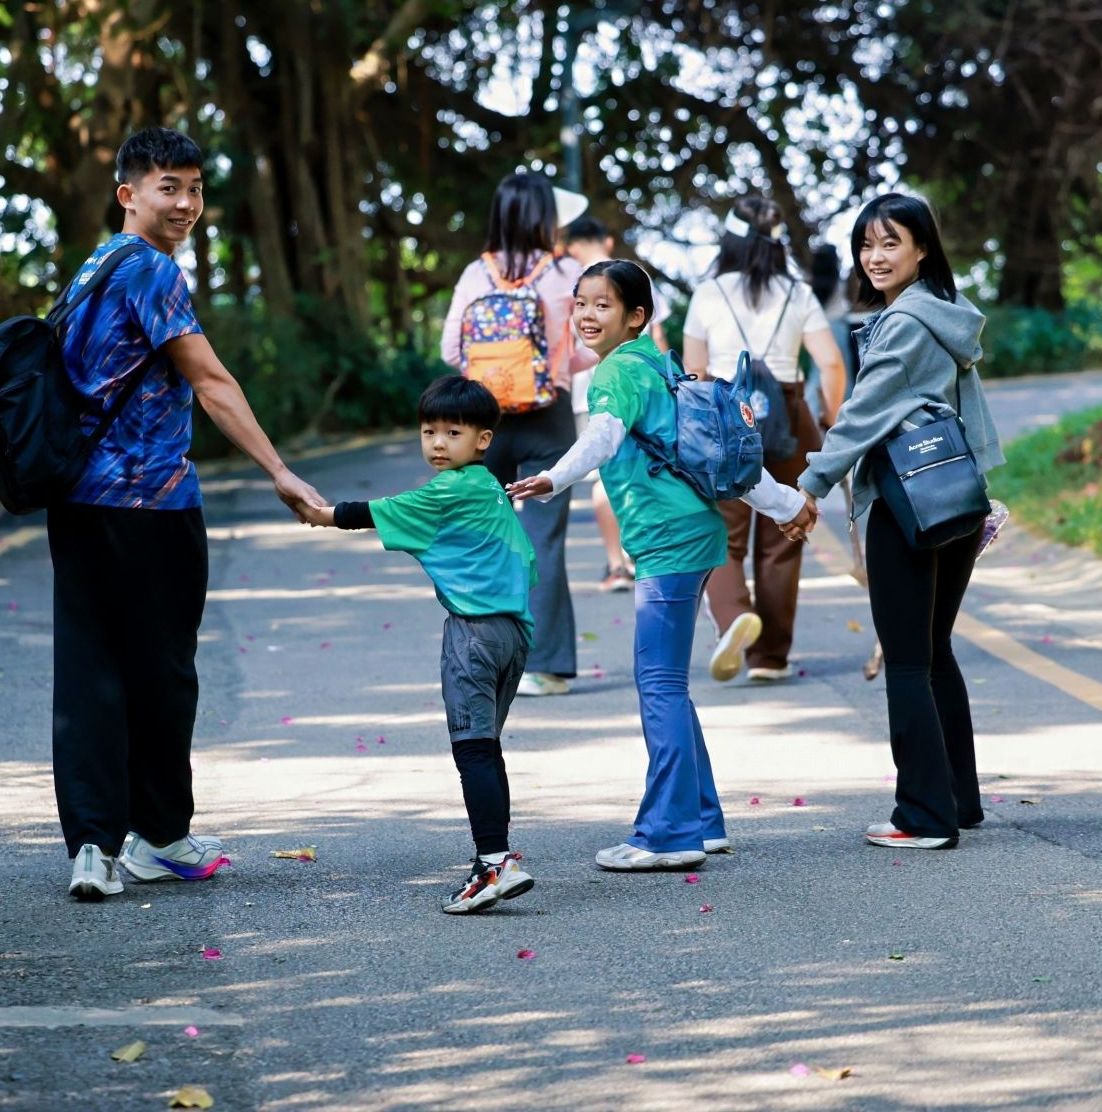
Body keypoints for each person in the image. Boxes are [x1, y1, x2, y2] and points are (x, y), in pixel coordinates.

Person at [51, 128, 327, 901]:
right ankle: (161, 837)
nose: (186, 203)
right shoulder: (152, 271)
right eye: (168, 186)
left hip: (76, 505)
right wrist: (281, 472)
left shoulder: (90, 268)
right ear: (128, 194)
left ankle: (92, 848)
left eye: (195, 188)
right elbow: (210, 380)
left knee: (88, 676)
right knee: (163, 675)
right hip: (151, 505)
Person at [508, 261, 817, 871]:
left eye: (603, 305)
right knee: (669, 685)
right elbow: (710, 451)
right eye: (581, 304)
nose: (588, 315)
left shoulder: (618, 371)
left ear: (636, 316)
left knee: (659, 686)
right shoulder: (658, 363)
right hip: (694, 535)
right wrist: (786, 502)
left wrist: (553, 478)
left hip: (667, 543)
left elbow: (602, 436)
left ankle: (668, 834)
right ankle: (701, 822)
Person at [796, 193, 1003, 851]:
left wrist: (810, 485)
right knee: (933, 651)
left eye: (891, 243)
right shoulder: (943, 313)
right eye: (867, 245)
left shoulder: (908, 324)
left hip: (907, 504)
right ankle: (957, 801)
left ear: (921, 248)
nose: (876, 257)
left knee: (909, 661)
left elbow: (862, 414)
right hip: (953, 501)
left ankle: (923, 815)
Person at [300, 377, 540, 913]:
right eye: (428, 431)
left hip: (473, 634)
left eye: (452, 432)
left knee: (472, 748)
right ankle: (496, 859)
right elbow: (526, 561)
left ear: (482, 439)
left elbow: (379, 510)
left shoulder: (449, 490)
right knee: (486, 746)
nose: (437, 443)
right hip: (513, 634)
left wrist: (320, 514)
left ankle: (494, 864)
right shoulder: (487, 488)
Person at [442, 172, 597, 697]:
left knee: (487, 536)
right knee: (544, 540)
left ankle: (485, 660)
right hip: (546, 414)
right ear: (544, 217)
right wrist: (551, 368)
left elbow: (449, 350)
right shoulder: (566, 272)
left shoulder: (475, 275)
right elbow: (585, 345)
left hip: (484, 420)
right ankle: (547, 667)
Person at [684, 196, 848, 684]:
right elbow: (832, 363)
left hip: (724, 416)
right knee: (785, 534)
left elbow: (694, 373)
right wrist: (830, 415)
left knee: (722, 532)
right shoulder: (797, 293)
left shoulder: (709, 292)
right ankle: (771, 658)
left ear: (729, 240)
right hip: (789, 414)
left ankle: (735, 613)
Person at [563, 215, 669, 593]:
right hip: (640, 389)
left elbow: (562, 347)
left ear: (571, 246)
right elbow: (656, 334)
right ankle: (644, 554)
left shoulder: (570, 281)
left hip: (584, 393)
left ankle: (615, 562)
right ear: (607, 241)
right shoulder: (632, 275)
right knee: (647, 465)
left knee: (602, 473)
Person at [806, 241, 856, 425]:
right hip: (838, 327)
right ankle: (844, 420)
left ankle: (814, 417)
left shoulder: (810, 283)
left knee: (818, 373)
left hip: (815, 330)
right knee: (843, 375)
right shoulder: (838, 280)